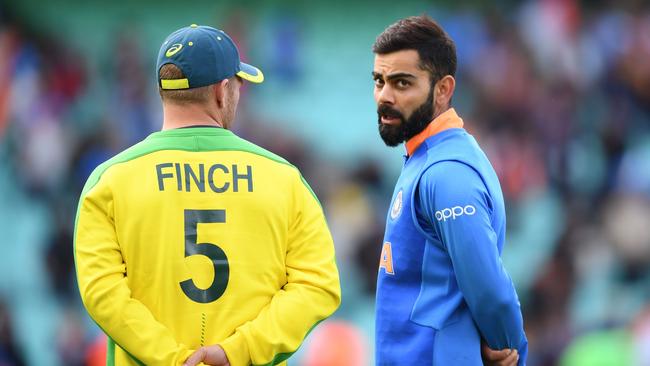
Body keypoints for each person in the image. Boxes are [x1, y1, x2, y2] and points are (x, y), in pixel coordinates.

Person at [74, 24, 341, 366]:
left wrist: (173, 359)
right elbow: (318, 286)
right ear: (222, 91)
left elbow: (102, 294)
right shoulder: (284, 179)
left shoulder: (108, 181)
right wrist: (237, 352)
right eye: (240, 84)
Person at [372, 16, 528, 365]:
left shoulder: (448, 174)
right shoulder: (426, 158)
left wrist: (511, 351)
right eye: (379, 81)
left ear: (443, 89)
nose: (384, 95)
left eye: (401, 83)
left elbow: (491, 292)